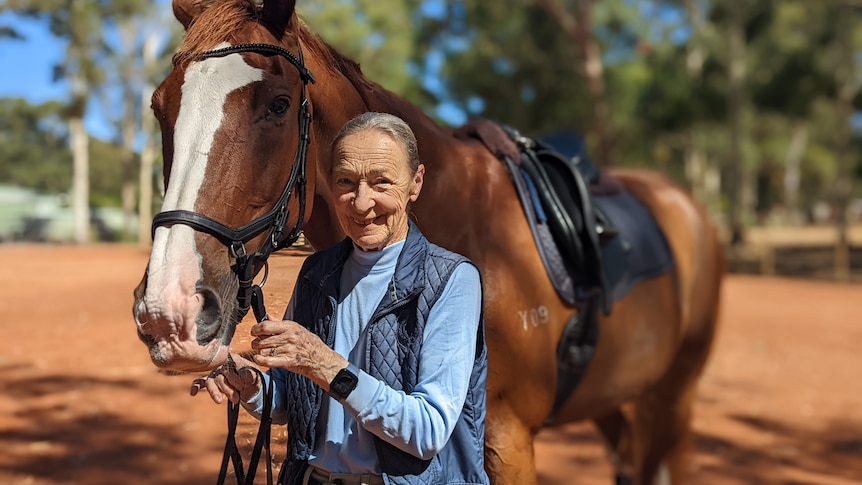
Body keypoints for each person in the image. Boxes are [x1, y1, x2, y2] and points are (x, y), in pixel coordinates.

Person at [191, 112, 490, 485]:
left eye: (381, 182)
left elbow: (427, 431)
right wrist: (252, 386)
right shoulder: (317, 273)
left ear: (415, 183)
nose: (361, 203)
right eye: (346, 182)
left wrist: (325, 365)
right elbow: (289, 399)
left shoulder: (451, 279)